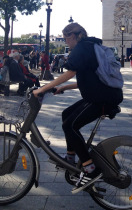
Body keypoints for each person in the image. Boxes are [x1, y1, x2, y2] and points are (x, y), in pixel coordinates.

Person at [33, 22, 123, 193]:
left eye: (66, 38)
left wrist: (41, 89)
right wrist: (63, 88)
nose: (66, 42)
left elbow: (70, 73)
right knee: (66, 114)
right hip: (102, 95)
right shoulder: (91, 45)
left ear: (72, 36)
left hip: (100, 98)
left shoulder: (81, 48)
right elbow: (89, 77)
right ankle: (70, 158)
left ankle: (90, 169)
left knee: (70, 125)